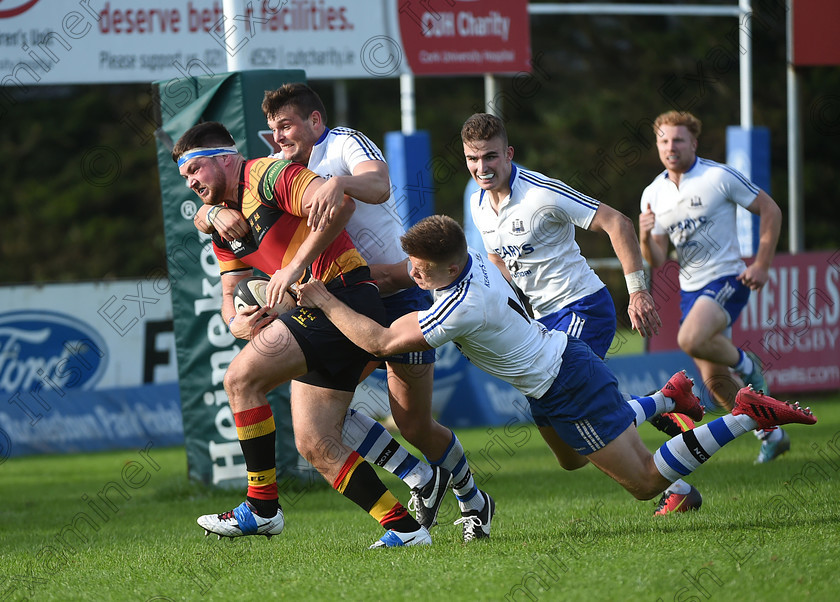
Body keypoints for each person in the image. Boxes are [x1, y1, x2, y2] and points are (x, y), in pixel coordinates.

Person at [297, 215, 817, 516]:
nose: (413, 274)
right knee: (571, 458)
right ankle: (668, 398)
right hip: (557, 372)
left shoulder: (462, 303)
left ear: (450, 269)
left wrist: (324, 299)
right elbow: (402, 278)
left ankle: (747, 412)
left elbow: (385, 341)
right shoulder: (470, 263)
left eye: (422, 270)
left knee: (642, 483)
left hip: (564, 382)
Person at [192, 83, 493, 541]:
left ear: (316, 122)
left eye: (287, 125)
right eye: (273, 130)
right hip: (336, 300)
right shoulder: (277, 170)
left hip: (395, 296)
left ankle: (471, 497)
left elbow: (377, 185)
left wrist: (337, 183)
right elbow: (220, 208)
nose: (279, 138)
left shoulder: (341, 144)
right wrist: (209, 215)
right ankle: (417, 482)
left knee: (412, 421)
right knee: (320, 422)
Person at [173, 120, 431, 549]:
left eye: (194, 171)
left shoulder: (268, 175)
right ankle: (405, 529)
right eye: (184, 178)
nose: (191, 183)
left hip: (343, 297)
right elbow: (230, 291)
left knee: (241, 380)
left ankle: (261, 509)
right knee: (315, 442)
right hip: (319, 310)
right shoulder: (222, 223)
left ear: (222, 158)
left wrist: (292, 269)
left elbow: (341, 207)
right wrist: (233, 321)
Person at [460, 112, 701, 515]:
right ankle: (664, 400)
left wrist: (638, 293)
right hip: (541, 322)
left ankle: (674, 486)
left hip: (583, 307)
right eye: (472, 159)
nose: (482, 168)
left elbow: (618, 223)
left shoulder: (541, 192)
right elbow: (497, 261)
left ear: (508, 154)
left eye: (490, 157)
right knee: (570, 456)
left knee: (576, 404)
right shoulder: (478, 203)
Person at [638, 110, 786, 464]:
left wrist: (762, 264)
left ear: (693, 143)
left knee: (689, 339)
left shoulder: (717, 176)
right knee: (717, 383)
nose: (670, 147)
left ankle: (747, 365)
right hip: (691, 291)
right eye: (663, 140)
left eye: (678, 140)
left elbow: (771, 210)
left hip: (728, 279)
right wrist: (644, 234)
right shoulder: (653, 192)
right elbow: (657, 257)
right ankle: (771, 432)